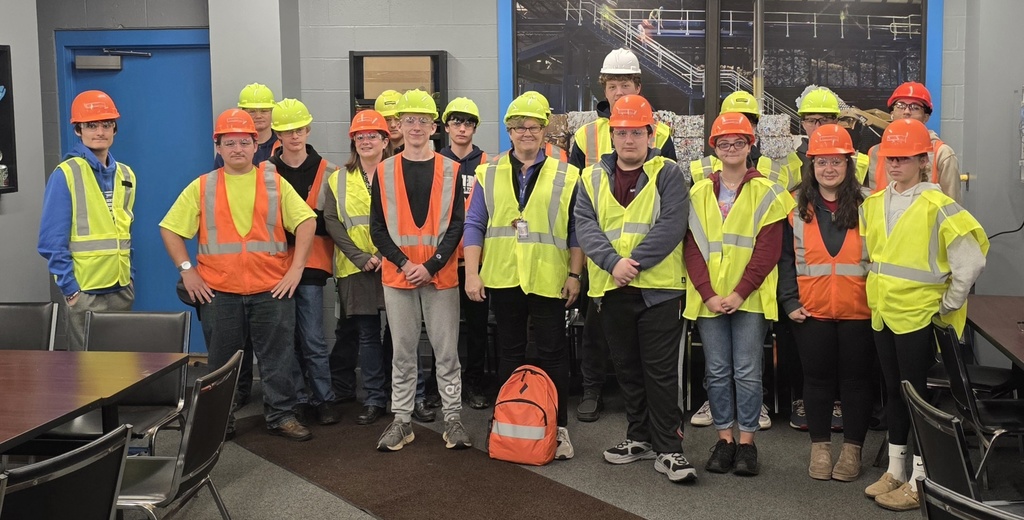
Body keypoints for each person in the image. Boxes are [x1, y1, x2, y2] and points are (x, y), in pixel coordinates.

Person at [160, 109, 315, 441]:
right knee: (220, 365)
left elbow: (306, 221)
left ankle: (281, 416)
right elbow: (170, 229)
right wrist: (188, 271)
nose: (237, 149)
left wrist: (296, 269)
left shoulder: (274, 182)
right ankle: (220, 421)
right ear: (218, 146)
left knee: (278, 357)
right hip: (219, 292)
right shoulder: (202, 186)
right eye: (229, 142)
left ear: (255, 144)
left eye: (244, 142)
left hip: (272, 290)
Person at [860, 118, 987, 511]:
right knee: (895, 394)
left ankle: (921, 478)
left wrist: (947, 305)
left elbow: (971, 262)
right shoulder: (875, 203)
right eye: (890, 157)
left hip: (919, 318)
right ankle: (896, 469)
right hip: (883, 313)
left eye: (903, 158)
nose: (894, 164)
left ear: (922, 160)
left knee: (919, 399)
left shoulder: (939, 205)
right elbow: (872, 258)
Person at [575, 95, 694, 482]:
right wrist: (613, 264)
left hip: (659, 292)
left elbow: (673, 225)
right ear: (612, 135)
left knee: (659, 374)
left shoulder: (669, 172)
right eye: (622, 132)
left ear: (650, 133)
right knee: (627, 370)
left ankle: (670, 450)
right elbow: (585, 226)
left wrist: (633, 263)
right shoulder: (591, 176)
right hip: (611, 291)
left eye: (637, 132)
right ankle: (639, 439)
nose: (629, 140)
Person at [464, 93, 582, 460]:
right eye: (518, 127)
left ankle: (558, 426)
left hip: (549, 276)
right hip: (503, 277)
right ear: (508, 132)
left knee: (553, 353)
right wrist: (472, 273)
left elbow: (577, 229)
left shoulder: (568, 173)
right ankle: (507, 418)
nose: (525, 132)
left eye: (532, 126)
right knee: (509, 352)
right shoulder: (489, 171)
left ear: (544, 129)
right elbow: (474, 224)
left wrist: (576, 274)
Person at [683, 112, 795, 476]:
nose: (731, 148)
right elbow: (692, 248)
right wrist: (709, 293)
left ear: (751, 145)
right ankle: (724, 439)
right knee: (716, 372)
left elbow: (768, 250)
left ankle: (747, 444)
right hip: (708, 299)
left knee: (747, 371)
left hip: (751, 298)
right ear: (714, 148)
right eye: (724, 143)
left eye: (739, 142)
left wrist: (739, 292)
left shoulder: (769, 191)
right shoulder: (698, 192)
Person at [571, 47, 677, 423]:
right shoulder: (586, 135)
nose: (619, 91)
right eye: (612, 85)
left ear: (638, 85)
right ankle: (592, 389)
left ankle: (651, 420)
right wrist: (598, 258)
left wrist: (636, 259)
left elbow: (667, 195)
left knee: (642, 349)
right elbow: (577, 199)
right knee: (594, 327)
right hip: (600, 254)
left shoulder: (660, 132)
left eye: (626, 84)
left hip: (647, 262)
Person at [370, 89, 471, 451]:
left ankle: (453, 419)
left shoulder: (451, 169)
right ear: (399, 125)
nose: (415, 126)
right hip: (399, 277)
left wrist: (430, 266)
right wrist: (406, 264)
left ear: (434, 128)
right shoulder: (384, 170)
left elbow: (457, 225)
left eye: (423, 121)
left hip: (439, 276)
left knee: (446, 352)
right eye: (409, 120)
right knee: (403, 351)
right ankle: (401, 420)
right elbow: (377, 229)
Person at [777, 124, 875, 482]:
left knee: (856, 383)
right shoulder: (795, 205)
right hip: (810, 311)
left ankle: (852, 452)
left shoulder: (870, 204)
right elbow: (785, 259)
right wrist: (788, 301)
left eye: (837, 161)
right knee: (815, 382)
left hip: (859, 311)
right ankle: (820, 449)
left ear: (849, 164)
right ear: (811, 164)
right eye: (821, 161)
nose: (829, 168)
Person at [39, 90, 136, 351]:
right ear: (78, 130)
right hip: (85, 293)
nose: (100, 131)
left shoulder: (126, 174)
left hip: (120, 288)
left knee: (121, 369)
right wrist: (71, 291)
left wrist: (129, 278)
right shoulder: (66, 173)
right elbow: (50, 242)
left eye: (106, 124)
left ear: (114, 129)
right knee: (86, 374)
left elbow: (124, 231)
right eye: (91, 125)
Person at [265, 98, 340, 426]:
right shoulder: (265, 172)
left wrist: (296, 224)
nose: (294, 136)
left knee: (311, 336)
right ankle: (295, 399)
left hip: (312, 265)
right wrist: (307, 222)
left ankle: (323, 399)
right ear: (277, 134)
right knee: (284, 336)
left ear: (307, 130)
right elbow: (264, 222)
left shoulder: (329, 172)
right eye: (286, 131)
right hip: (276, 265)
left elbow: (330, 222)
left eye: (299, 129)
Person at [325, 109, 392, 426]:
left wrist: (383, 253)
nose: (366, 141)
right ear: (353, 141)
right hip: (356, 268)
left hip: (394, 264)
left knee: (400, 335)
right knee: (367, 335)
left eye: (372, 135)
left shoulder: (398, 172)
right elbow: (332, 222)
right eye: (360, 136)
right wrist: (360, 256)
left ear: (384, 140)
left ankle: (403, 396)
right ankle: (375, 398)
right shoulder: (338, 178)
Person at [439, 97, 492, 409]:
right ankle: (443, 386)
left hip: (478, 261)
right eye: (456, 122)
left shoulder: (488, 162)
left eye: (468, 122)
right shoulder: (434, 161)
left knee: (476, 328)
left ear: (474, 127)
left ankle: (473, 384)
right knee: (443, 328)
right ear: (447, 127)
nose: (462, 128)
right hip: (443, 261)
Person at [864, 82, 962, 202]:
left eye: (915, 107)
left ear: (926, 117)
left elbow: (951, 207)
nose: (906, 112)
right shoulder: (875, 152)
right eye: (900, 106)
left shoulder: (942, 154)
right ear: (891, 114)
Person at [795, 87, 870, 186]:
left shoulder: (861, 162)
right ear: (803, 124)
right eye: (811, 121)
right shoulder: (792, 162)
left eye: (824, 120)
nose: (818, 127)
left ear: (836, 122)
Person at [215, 83, 280, 168]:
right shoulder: (230, 147)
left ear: (272, 112)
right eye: (252, 111)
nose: (258, 116)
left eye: (264, 111)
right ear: (243, 112)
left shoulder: (283, 145)